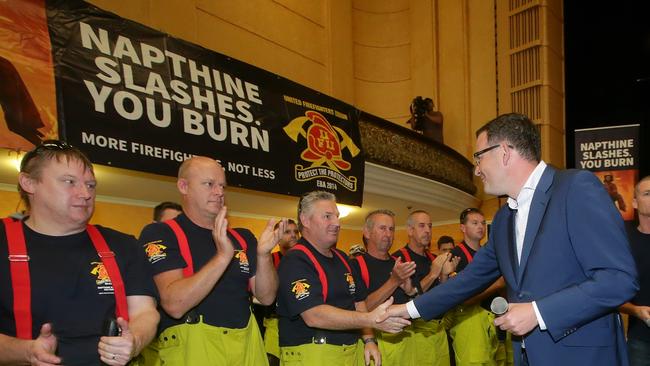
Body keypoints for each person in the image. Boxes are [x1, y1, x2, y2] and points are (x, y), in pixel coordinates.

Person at [384, 113, 639, 365]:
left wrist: (538, 313)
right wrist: (407, 310)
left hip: (583, 357)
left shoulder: (575, 188)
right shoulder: (504, 218)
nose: (477, 169)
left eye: (479, 157)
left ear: (504, 152)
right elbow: (468, 281)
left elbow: (619, 279)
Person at [0, 140, 159, 365]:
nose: (85, 193)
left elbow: (145, 312)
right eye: (69, 182)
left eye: (91, 185)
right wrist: (25, 352)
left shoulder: (123, 245)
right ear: (29, 183)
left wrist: (134, 340)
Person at [139, 156, 284, 365]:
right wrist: (223, 256)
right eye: (209, 184)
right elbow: (174, 304)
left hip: (247, 346)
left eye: (222, 186)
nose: (219, 192)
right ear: (183, 186)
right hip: (193, 349)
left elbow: (268, 297)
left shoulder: (243, 237)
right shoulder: (161, 233)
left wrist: (263, 256)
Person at [277, 191, 410, 366]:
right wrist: (370, 320)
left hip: (349, 351)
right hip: (312, 354)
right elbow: (314, 315)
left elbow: (358, 302)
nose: (336, 223)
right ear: (305, 219)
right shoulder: (296, 259)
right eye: (327, 216)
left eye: (337, 217)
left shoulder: (342, 258)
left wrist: (369, 340)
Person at [349, 209, 417, 365]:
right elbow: (360, 310)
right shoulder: (355, 266)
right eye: (382, 228)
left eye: (391, 229)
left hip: (407, 341)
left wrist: (411, 292)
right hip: (375, 343)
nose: (388, 234)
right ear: (367, 232)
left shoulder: (401, 264)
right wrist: (394, 281)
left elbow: (416, 306)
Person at [392, 210, 457, 366]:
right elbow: (408, 298)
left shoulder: (433, 258)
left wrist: (445, 277)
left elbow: (440, 296)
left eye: (430, 226)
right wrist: (433, 274)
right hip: (415, 334)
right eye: (421, 226)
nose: (427, 230)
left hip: (440, 330)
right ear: (410, 230)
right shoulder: (399, 259)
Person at [446, 208, 505, 366]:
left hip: (498, 320)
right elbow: (463, 299)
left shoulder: (491, 253)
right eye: (475, 223)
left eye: (483, 223)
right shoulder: (455, 256)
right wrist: (497, 284)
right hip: (470, 325)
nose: (481, 226)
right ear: (463, 228)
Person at [619, 175, 650, 365]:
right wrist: (635, 310)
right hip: (640, 340)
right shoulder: (624, 241)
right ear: (635, 203)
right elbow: (611, 293)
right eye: (648, 193)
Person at [263, 219, 300, 366]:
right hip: (275, 325)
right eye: (287, 232)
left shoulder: (306, 262)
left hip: (300, 326)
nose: (293, 235)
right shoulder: (269, 260)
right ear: (277, 237)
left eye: (296, 232)